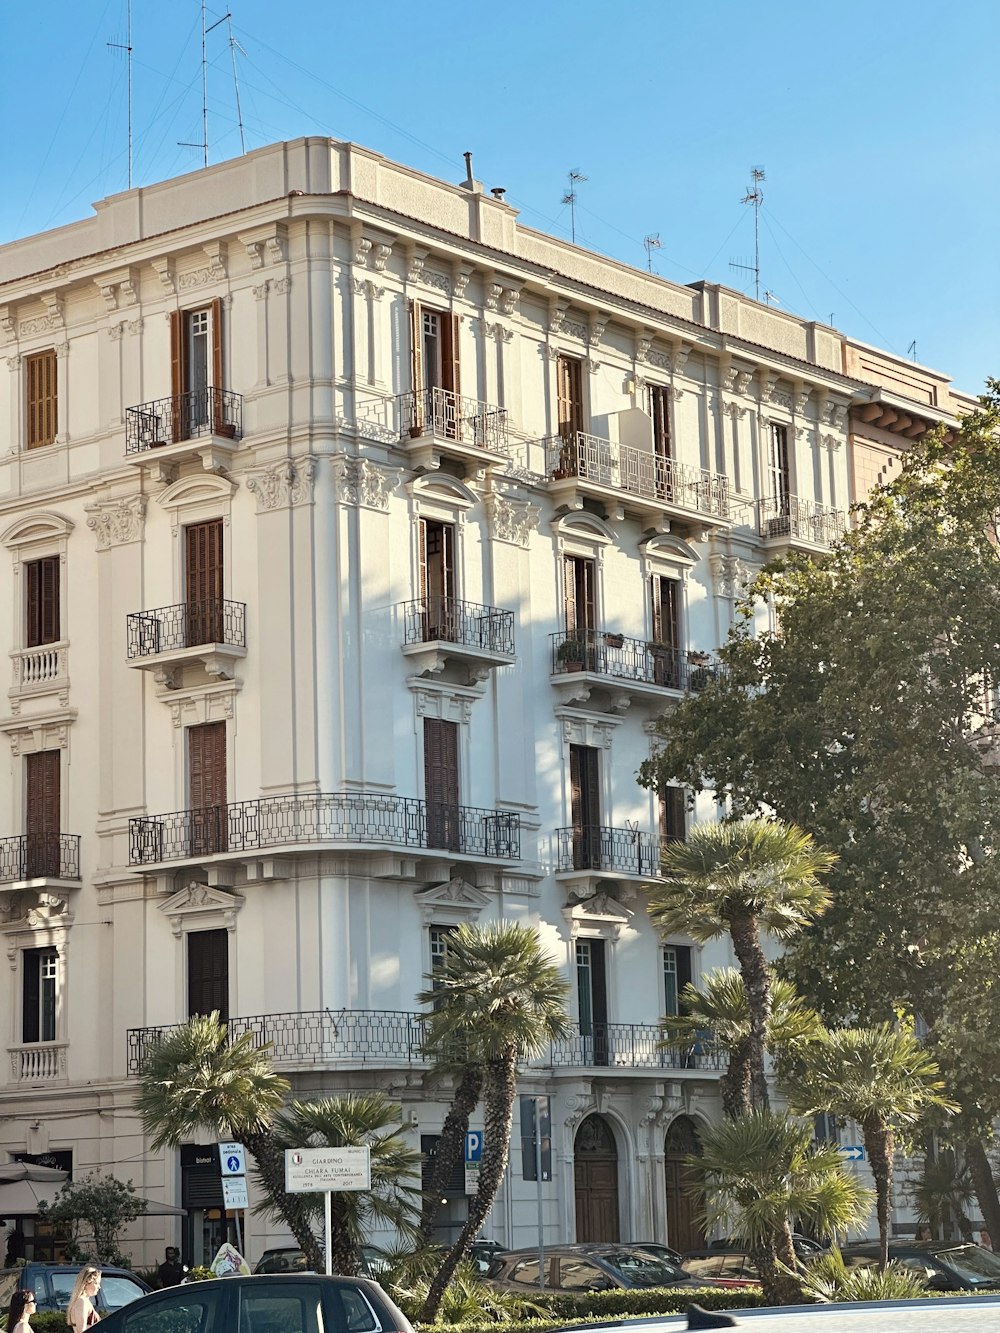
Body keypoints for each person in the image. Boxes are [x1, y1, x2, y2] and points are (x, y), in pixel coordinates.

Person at [66, 1267, 101, 1333]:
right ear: (86, 1283)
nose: (99, 1287)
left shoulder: (85, 1301)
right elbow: (82, 1331)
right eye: (96, 1283)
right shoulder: (81, 1302)